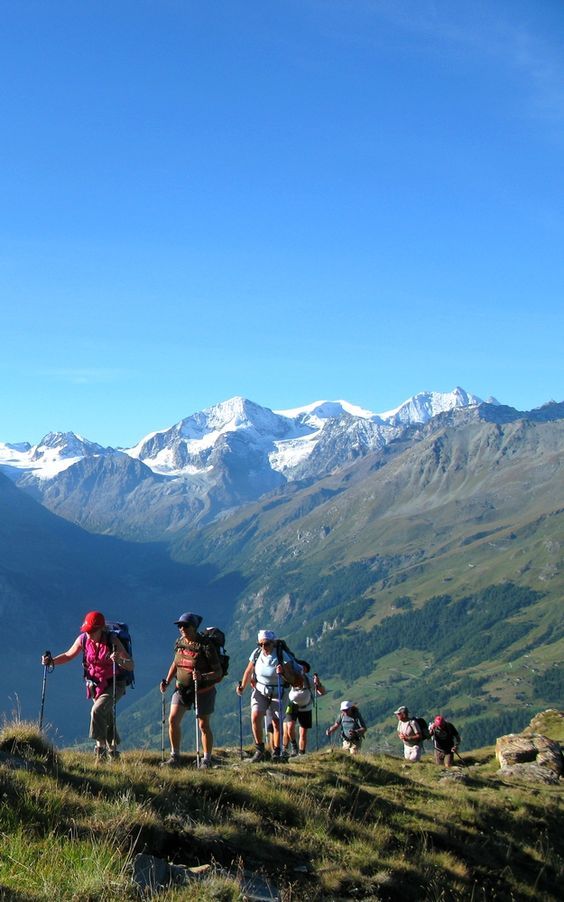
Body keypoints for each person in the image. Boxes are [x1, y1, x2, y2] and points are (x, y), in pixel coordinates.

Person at [41, 611, 134, 761]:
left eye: (92, 631)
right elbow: (69, 655)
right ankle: (114, 753)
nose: (89, 634)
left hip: (115, 684)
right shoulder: (83, 639)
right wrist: (52, 662)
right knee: (106, 716)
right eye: (87, 630)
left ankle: (100, 751)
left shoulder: (113, 641)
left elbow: (130, 665)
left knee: (97, 711)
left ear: (101, 629)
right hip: (95, 685)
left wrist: (119, 661)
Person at [160, 612, 223, 768]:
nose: (181, 628)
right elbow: (176, 663)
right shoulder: (180, 643)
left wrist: (202, 676)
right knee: (173, 720)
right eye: (179, 626)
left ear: (194, 627)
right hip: (181, 688)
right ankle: (175, 756)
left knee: (203, 725)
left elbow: (218, 672)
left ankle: (206, 759)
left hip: (203, 690)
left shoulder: (206, 646)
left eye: (185, 626)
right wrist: (167, 680)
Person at [236, 629, 301, 763]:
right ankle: (260, 749)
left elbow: (292, 678)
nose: (263, 647)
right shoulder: (256, 654)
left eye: (266, 644)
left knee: (277, 723)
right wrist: (242, 686)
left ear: (273, 643)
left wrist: (283, 673)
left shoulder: (282, 656)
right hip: (260, 690)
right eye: (260, 644)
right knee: (255, 717)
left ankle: (276, 752)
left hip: (278, 691)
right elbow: (249, 671)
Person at [282, 661, 326, 758]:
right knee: (290, 727)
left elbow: (322, 692)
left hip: (305, 707)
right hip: (292, 705)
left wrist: (318, 683)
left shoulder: (309, 679)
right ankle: (294, 747)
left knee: (303, 732)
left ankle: (301, 753)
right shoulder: (292, 676)